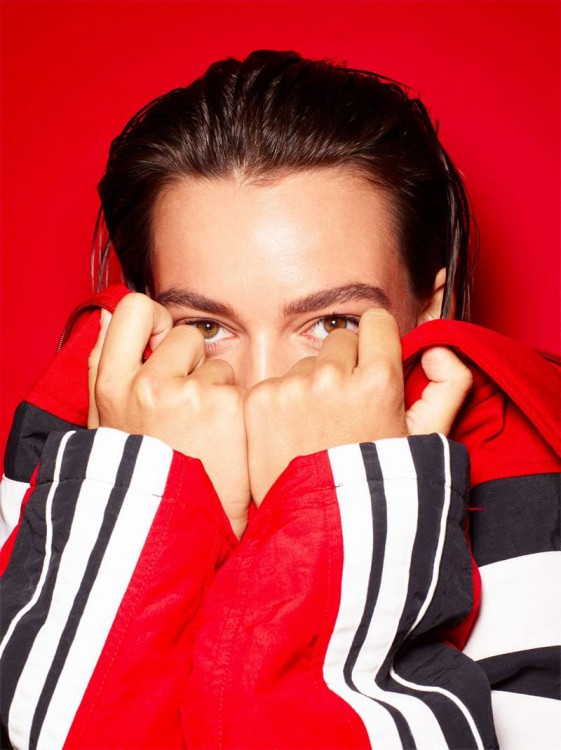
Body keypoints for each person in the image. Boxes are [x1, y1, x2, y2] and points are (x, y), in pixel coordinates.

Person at [0, 50, 559, 750]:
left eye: (333, 321)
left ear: (429, 307)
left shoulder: (535, 512)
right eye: (207, 327)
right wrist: (147, 504)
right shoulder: (62, 461)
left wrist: (331, 510)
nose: (264, 387)